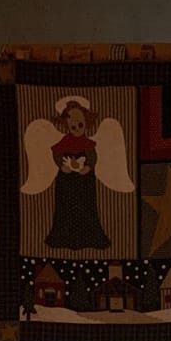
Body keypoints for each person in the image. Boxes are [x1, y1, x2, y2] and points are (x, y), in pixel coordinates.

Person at [45, 99, 111, 250]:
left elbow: (93, 157)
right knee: (66, 209)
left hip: (84, 181)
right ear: (67, 126)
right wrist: (62, 165)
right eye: (73, 126)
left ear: (86, 122)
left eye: (80, 125)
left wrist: (88, 167)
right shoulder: (64, 142)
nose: (77, 128)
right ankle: (64, 238)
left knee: (86, 209)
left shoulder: (87, 144)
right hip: (66, 181)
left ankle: (87, 238)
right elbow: (57, 154)